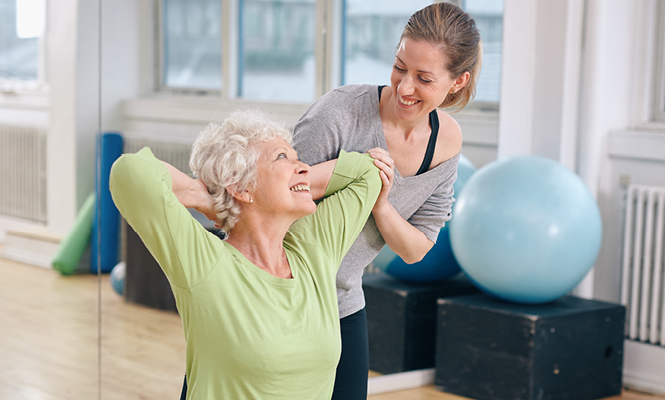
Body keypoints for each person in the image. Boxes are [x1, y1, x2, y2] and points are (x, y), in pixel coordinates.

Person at [111, 109, 385, 399]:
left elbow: (369, 171)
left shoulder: (313, 250)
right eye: (282, 157)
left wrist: (294, 182)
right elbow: (129, 171)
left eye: (297, 158)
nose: (304, 166)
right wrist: (201, 196)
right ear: (241, 186)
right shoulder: (207, 264)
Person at [291, 3, 483, 399]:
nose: (404, 87)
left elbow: (415, 248)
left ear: (458, 81)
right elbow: (278, 194)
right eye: (400, 67)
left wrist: (380, 202)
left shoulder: (446, 142)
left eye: (424, 78)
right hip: (275, 291)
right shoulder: (341, 111)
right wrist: (357, 172)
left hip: (342, 299)